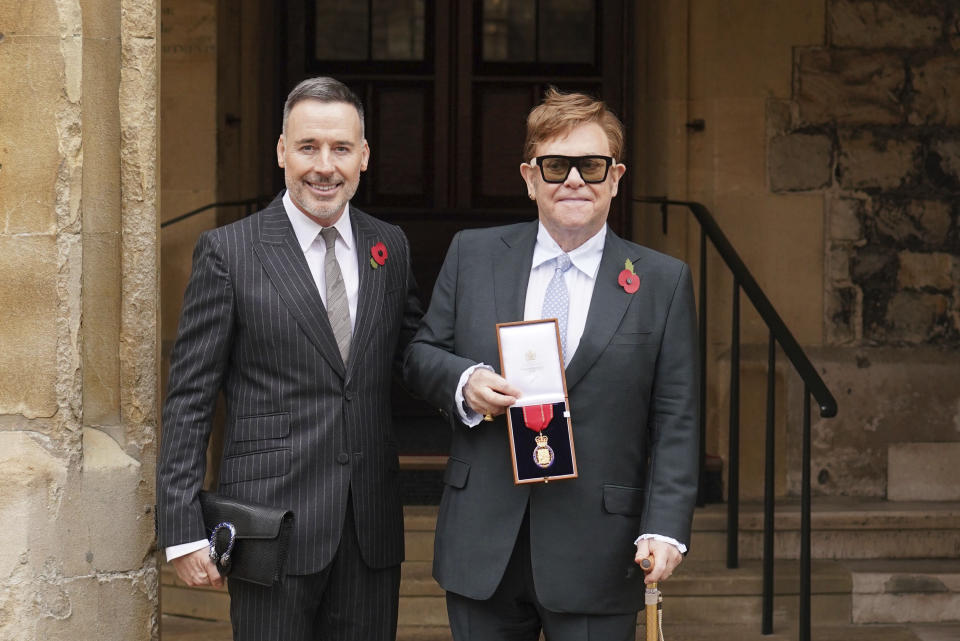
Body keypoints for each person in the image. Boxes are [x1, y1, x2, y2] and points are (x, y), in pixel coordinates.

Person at [403, 88, 699, 641]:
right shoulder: (473, 254)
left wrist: (665, 527)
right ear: (529, 176)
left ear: (616, 177)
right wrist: (465, 384)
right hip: (483, 543)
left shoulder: (662, 281)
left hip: (600, 549)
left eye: (591, 165)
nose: (574, 181)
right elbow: (421, 356)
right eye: (556, 165)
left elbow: (676, 418)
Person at [156, 76, 422, 641]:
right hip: (269, 531)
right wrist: (181, 526)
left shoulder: (390, 247)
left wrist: (468, 382)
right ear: (281, 151)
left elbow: (412, 355)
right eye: (308, 147)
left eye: (341, 149)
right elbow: (189, 399)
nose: (324, 166)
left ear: (364, 157)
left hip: (370, 531)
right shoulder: (229, 252)